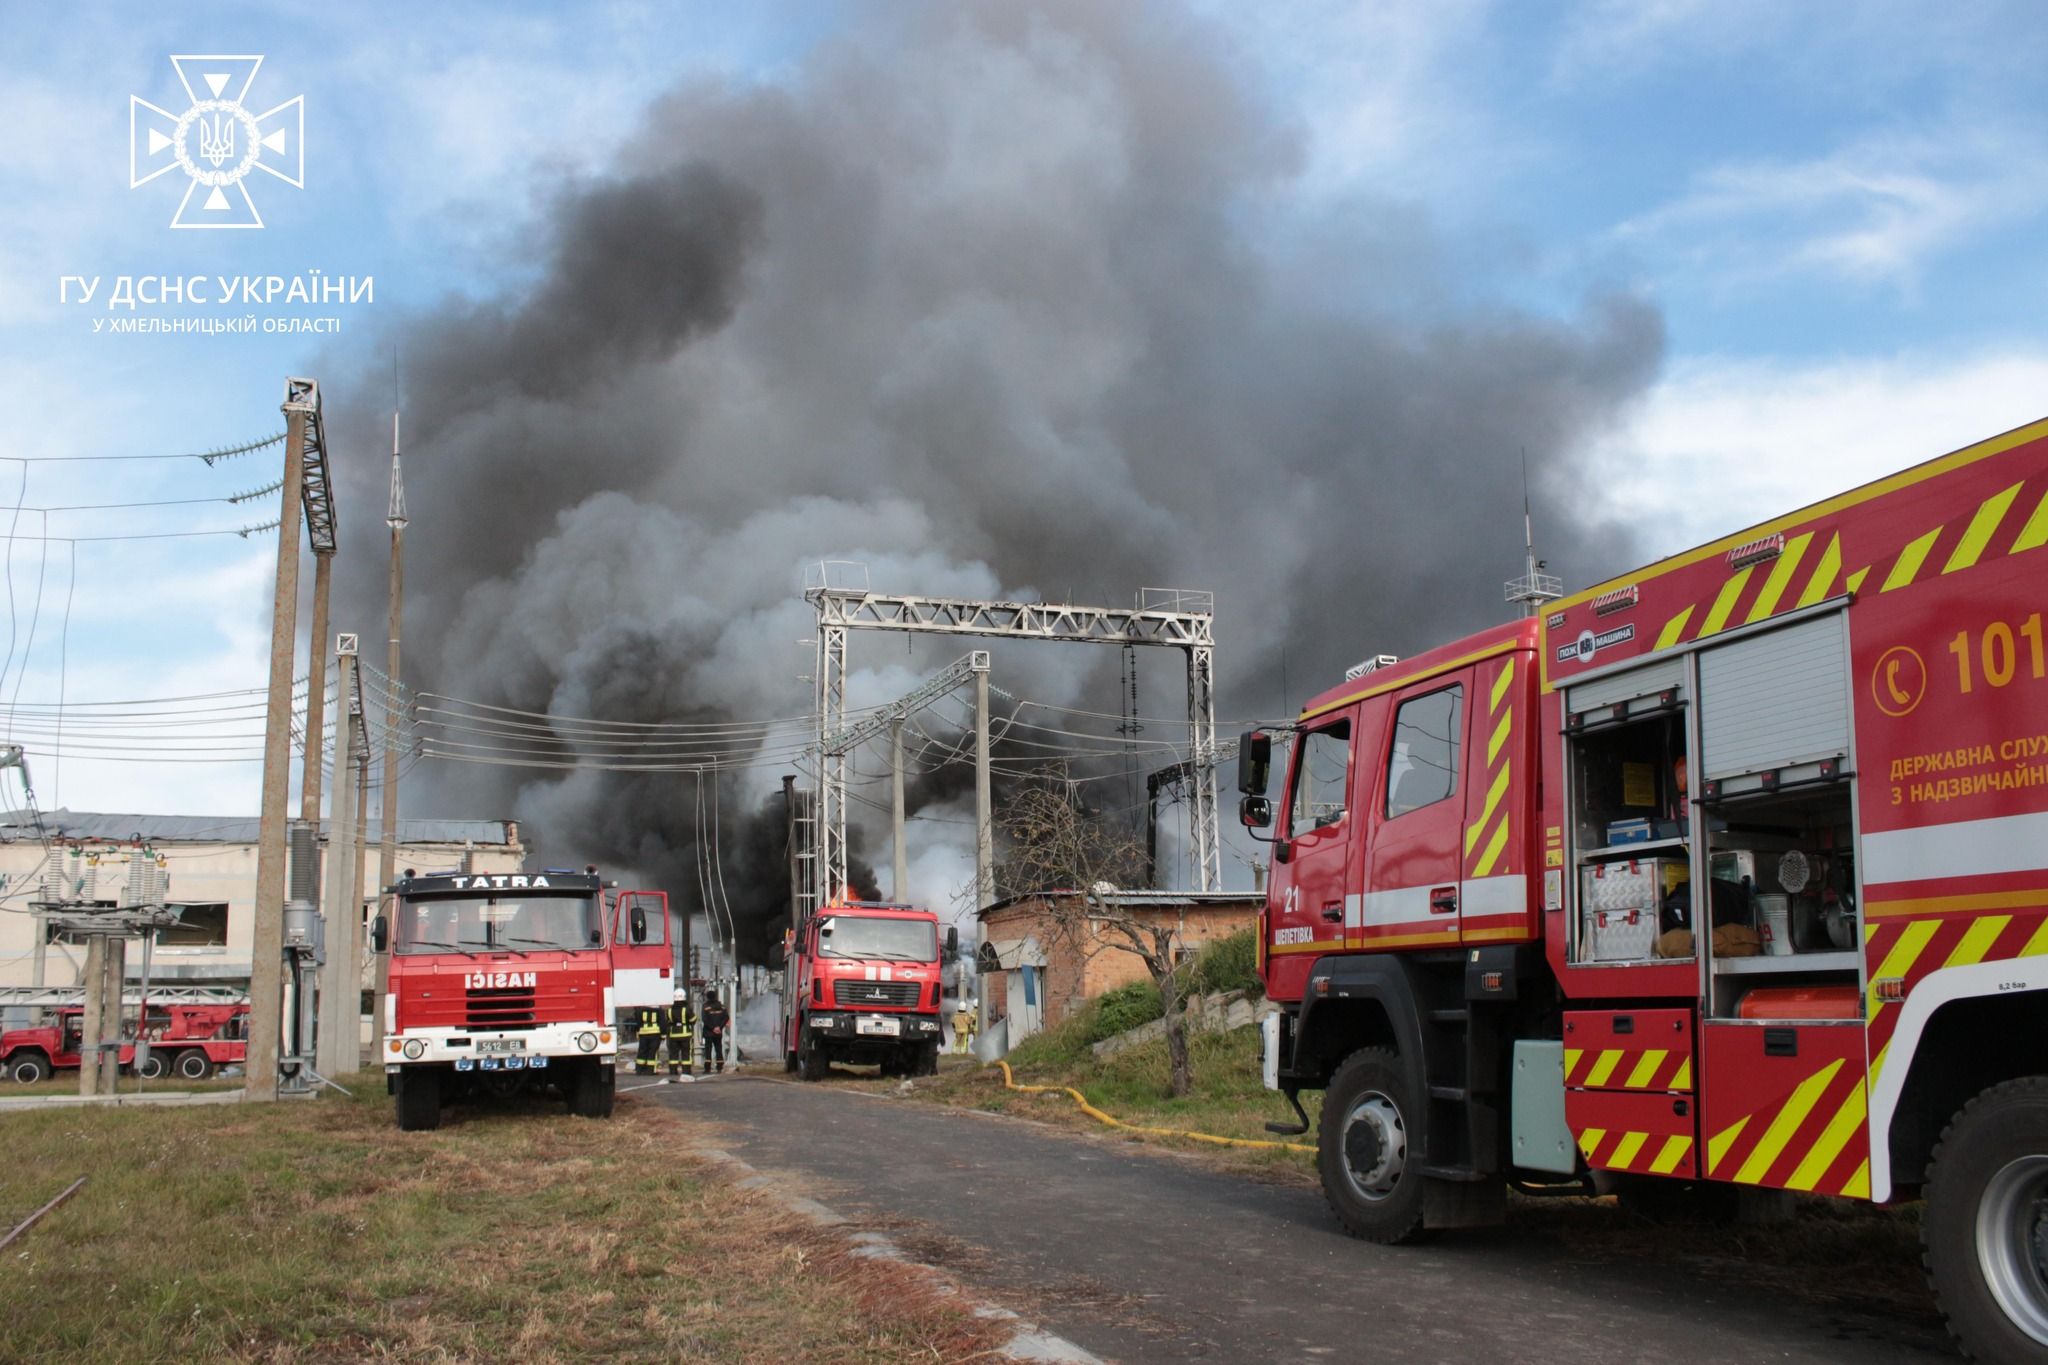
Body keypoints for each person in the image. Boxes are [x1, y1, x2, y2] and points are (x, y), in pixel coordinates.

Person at [666, 991, 695, 1081]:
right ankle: (686, 1071)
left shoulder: (669, 1010)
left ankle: (673, 1070)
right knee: (686, 1054)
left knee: (673, 1054)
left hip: (673, 1034)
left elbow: (668, 1021)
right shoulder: (686, 1009)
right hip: (685, 1034)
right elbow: (693, 1020)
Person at [700, 992, 731, 1074]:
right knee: (718, 1049)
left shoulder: (705, 1006)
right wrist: (719, 1027)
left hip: (708, 1032)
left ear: (707, 997)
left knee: (708, 1049)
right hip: (718, 1032)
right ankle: (720, 1067)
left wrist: (712, 1027)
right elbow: (726, 1017)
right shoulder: (721, 1006)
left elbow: (704, 1019)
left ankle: (707, 1068)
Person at [633, 1002, 666, 1077]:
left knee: (642, 1051)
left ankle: (639, 1070)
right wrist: (663, 1034)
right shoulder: (659, 1010)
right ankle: (650, 1070)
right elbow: (662, 1023)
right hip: (655, 1033)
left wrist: (638, 1031)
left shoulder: (641, 1010)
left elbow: (638, 1022)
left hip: (643, 1033)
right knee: (652, 1052)